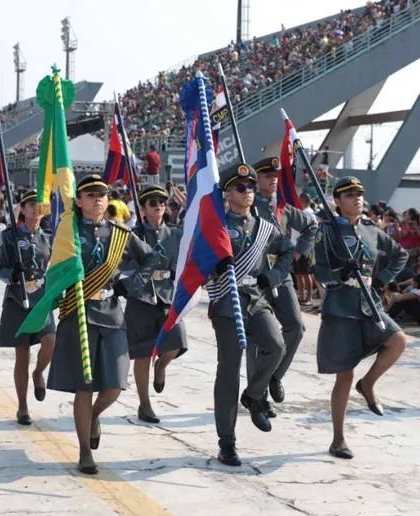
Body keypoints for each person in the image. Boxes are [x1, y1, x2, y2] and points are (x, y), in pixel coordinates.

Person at [47, 173, 156, 475]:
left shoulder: (120, 234)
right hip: (78, 313)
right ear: (79, 201)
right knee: (84, 386)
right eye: (90, 194)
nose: (97, 199)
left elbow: (151, 259)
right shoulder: (67, 232)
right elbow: (53, 270)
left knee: (115, 386)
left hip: (110, 312)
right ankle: (84, 451)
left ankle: (94, 417)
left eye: (102, 194)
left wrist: (129, 286)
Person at [314, 177, 408, 459]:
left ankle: (368, 384)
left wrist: (382, 280)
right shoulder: (327, 231)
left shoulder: (370, 229)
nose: (357, 198)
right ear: (337, 201)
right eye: (350, 195)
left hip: (369, 302)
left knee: (398, 340)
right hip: (341, 305)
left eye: (359, 193)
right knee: (344, 375)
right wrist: (339, 274)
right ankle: (338, 439)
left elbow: (400, 255)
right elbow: (319, 271)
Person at [208, 164, 294, 467]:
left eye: (250, 187)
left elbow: (288, 251)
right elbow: (196, 255)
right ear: (228, 195)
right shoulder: (215, 225)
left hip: (256, 299)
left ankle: (255, 394)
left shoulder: (265, 228)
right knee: (228, 373)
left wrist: (274, 276)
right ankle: (227, 442)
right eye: (241, 188)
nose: (248, 192)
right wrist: (213, 267)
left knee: (277, 345)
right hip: (226, 303)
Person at [250, 156, 316, 413]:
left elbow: (311, 225)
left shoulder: (284, 208)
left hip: (281, 272)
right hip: (256, 276)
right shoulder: (250, 206)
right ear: (257, 179)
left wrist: (299, 252)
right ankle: (258, 396)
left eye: (275, 175)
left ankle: (275, 375)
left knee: (296, 327)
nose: (273, 179)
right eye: (267, 175)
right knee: (260, 340)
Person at [122, 184, 187, 424]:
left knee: (176, 342)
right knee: (142, 354)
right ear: (143, 208)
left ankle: (161, 367)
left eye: (162, 202)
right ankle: (144, 404)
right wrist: (139, 272)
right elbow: (123, 264)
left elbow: (184, 261)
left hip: (168, 295)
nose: (159, 206)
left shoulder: (176, 233)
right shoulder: (133, 235)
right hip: (141, 297)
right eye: (153, 203)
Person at [0, 190, 55, 425]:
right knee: (22, 354)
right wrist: (13, 274)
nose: (35, 208)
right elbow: (0, 268)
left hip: (41, 297)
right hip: (18, 298)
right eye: (30, 204)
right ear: (22, 208)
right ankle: (22, 406)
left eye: (39, 204)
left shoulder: (49, 237)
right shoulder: (9, 236)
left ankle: (39, 372)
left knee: (50, 341)